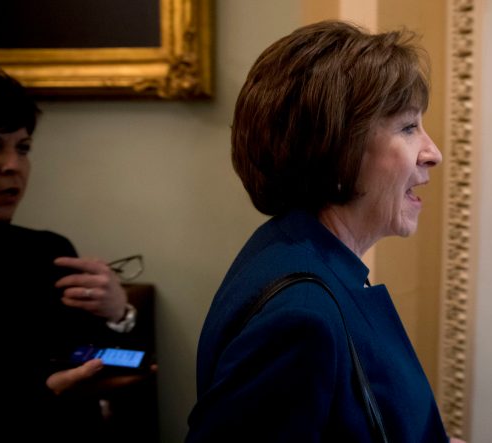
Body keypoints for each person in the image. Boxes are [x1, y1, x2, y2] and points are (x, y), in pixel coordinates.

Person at [186, 21, 465, 442]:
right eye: (409, 128)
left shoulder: (298, 250)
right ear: (338, 147)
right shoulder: (299, 317)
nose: (433, 153)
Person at [0, 66, 140, 441]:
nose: (12, 166)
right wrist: (43, 393)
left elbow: (116, 363)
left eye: (23, 148)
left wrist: (118, 312)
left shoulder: (47, 253)